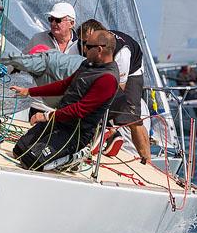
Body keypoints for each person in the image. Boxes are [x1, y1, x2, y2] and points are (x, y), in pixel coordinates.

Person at [10, 30, 119, 171]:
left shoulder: (107, 79)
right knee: (19, 150)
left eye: (88, 45)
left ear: (99, 49)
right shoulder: (88, 64)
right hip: (60, 122)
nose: (84, 48)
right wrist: (29, 91)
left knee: (30, 161)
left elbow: (80, 110)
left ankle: (75, 157)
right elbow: (64, 85)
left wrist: (45, 116)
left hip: (76, 132)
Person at [78, 19, 151, 164]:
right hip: (104, 66)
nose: (85, 48)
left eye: (88, 43)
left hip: (130, 73)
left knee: (131, 116)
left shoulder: (122, 53)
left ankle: (147, 160)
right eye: (83, 42)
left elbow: (118, 88)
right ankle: (110, 135)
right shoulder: (82, 45)